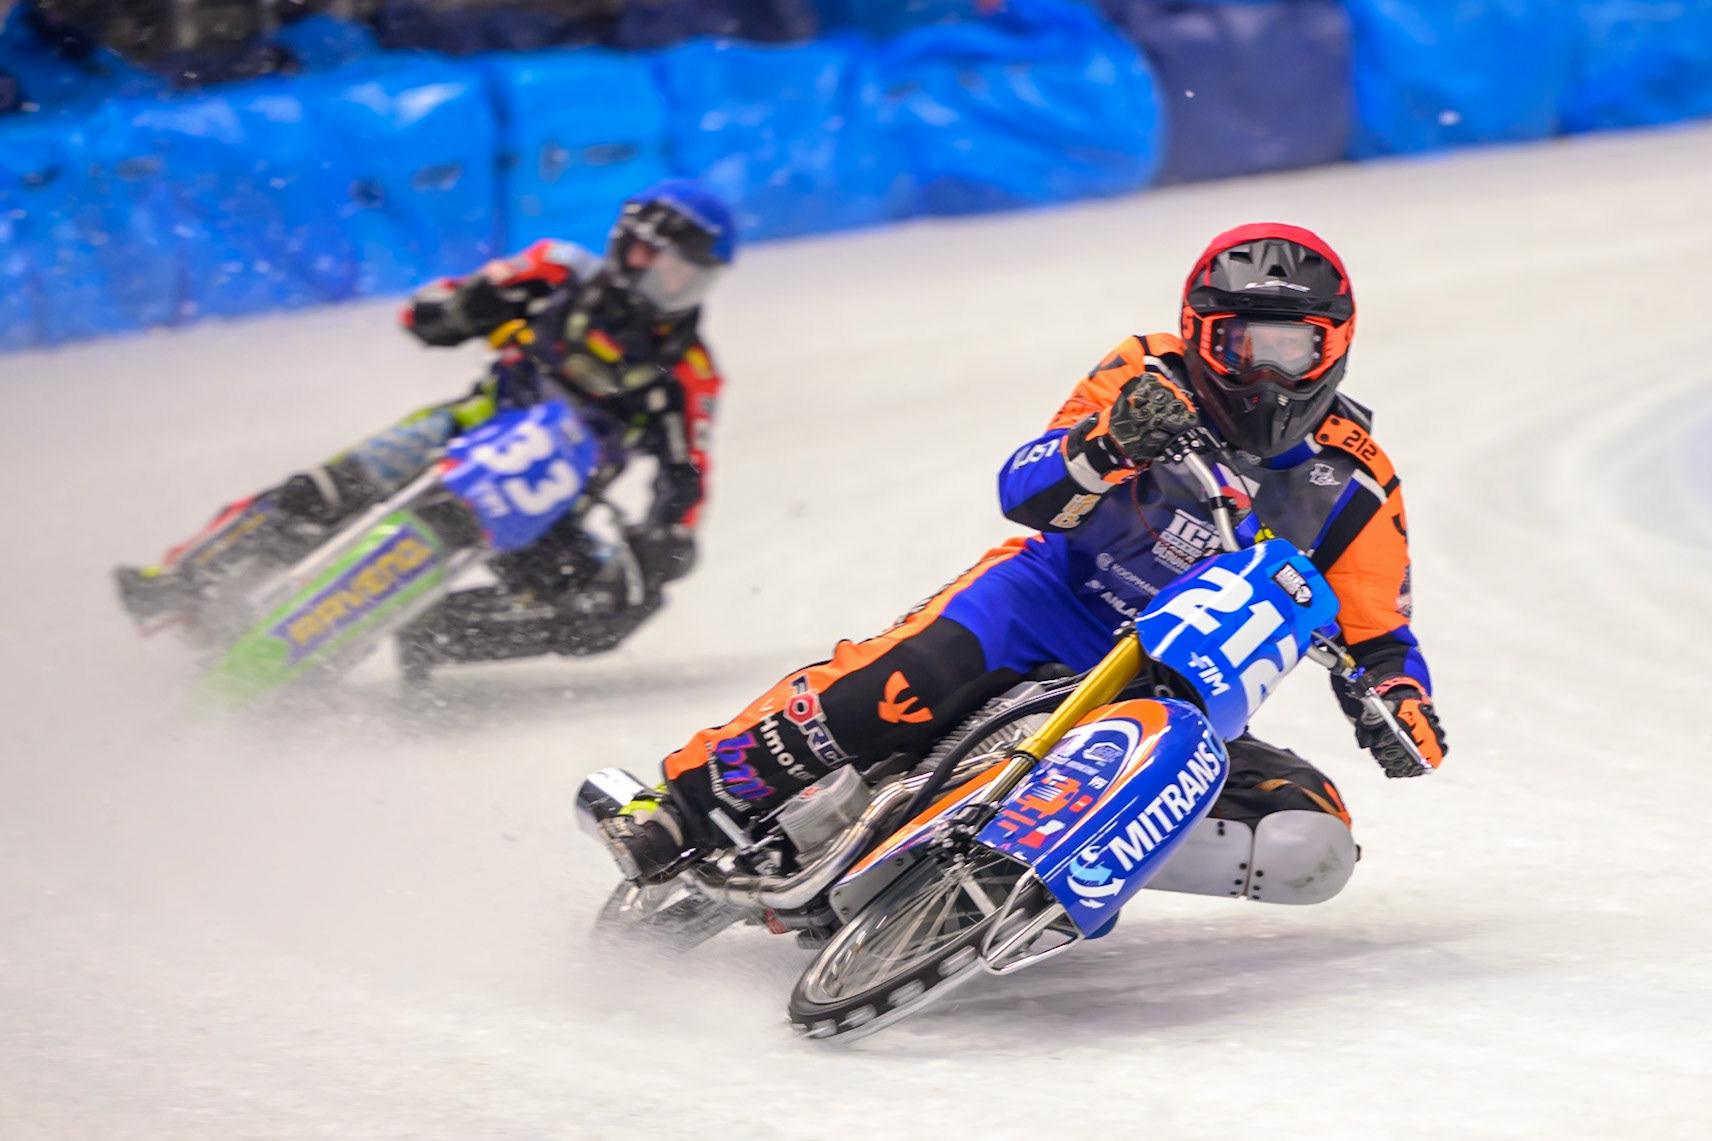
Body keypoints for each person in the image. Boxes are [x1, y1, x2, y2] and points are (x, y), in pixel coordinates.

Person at [599, 222, 1447, 893]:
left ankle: (1013, 873)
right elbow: (1027, 487)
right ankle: (681, 801)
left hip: (1187, 684)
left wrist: (1400, 705)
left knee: (1310, 837)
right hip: (1047, 603)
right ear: (1199, 335)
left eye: (1293, 349)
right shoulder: (1147, 371)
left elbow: (1378, 632)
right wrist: (1109, 442)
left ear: (1334, 347)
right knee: (886, 687)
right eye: (1240, 347)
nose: (1266, 375)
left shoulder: (1359, 479)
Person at [115, 179, 735, 669]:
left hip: (552, 496)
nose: (670, 285)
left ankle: (431, 633)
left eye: (688, 275)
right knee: (325, 492)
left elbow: (688, 471)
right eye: (661, 264)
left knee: (613, 603)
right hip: (468, 427)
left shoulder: (690, 367)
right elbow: (430, 312)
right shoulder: (558, 271)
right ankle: (190, 579)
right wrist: (465, 307)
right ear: (627, 245)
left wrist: (665, 538)